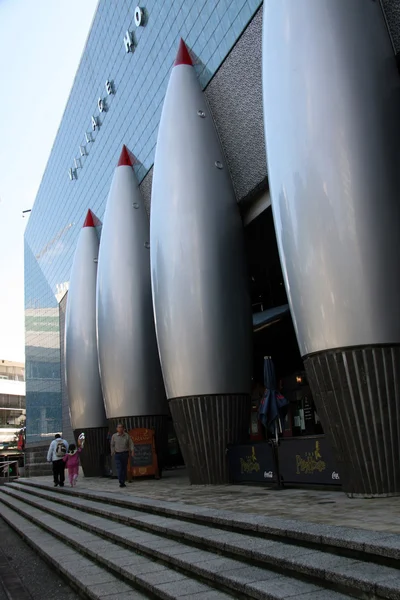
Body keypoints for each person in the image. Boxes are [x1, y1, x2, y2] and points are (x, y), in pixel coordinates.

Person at [110, 424, 134, 488]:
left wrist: (132, 451)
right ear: (117, 429)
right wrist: (112, 451)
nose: (120, 429)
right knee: (119, 468)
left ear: (123, 429)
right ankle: (121, 481)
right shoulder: (114, 436)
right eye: (118, 427)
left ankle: (123, 481)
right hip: (117, 454)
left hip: (125, 454)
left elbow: (131, 443)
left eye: (121, 427)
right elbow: (112, 444)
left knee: (124, 468)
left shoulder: (126, 436)